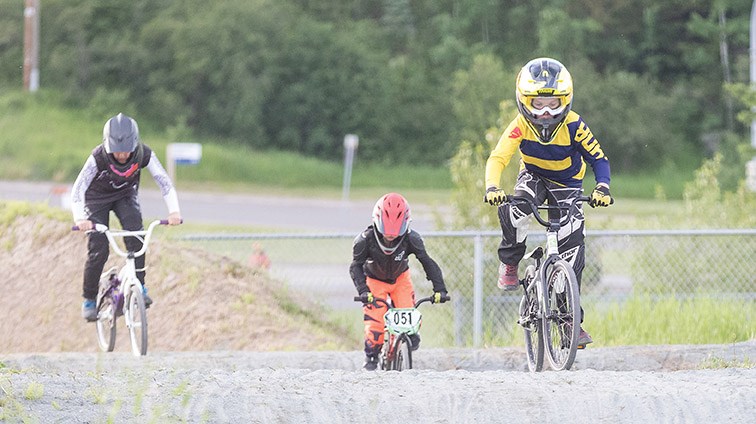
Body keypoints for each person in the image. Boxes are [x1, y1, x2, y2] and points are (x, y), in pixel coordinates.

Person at [483, 58, 613, 347]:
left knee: (573, 251)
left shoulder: (575, 125)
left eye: (553, 104)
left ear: (565, 101)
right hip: (533, 176)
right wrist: (493, 187)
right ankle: (510, 262)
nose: (544, 112)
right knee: (516, 208)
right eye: (537, 104)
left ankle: (570, 323)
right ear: (523, 100)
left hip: (568, 184)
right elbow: (499, 157)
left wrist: (602, 188)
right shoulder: (519, 126)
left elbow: (598, 159)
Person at [72, 113, 183, 322]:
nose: (122, 155)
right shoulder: (98, 156)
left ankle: (139, 285)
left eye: (126, 151)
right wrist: (80, 218)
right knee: (99, 249)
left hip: (125, 195)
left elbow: (164, 181)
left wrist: (174, 211)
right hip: (96, 199)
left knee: (137, 236)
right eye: (117, 151)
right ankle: (89, 298)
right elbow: (79, 188)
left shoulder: (143, 154)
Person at [350, 192, 448, 370]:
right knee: (376, 325)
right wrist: (363, 291)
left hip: (400, 279)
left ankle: (405, 342)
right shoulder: (365, 240)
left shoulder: (412, 239)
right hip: (374, 281)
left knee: (409, 320)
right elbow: (355, 267)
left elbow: (427, 262)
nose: (391, 238)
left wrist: (440, 289)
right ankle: (371, 357)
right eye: (387, 233)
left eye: (395, 235)